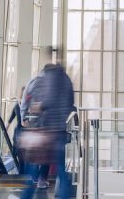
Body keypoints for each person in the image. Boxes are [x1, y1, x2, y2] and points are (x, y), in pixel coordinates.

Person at [20, 50, 74, 199]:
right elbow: (71, 105)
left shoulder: (41, 80)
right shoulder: (67, 80)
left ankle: (26, 197)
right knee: (62, 173)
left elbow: (35, 102)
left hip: (44, 131)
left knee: (32, 172)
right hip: (60, 131)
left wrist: (32, 112)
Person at [8, 86, 28, 174]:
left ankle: (21, 173)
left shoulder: (17, 105)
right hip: (25, 134)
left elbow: (9, 120)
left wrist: (4, 131)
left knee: (20, 157)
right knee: (25, 157)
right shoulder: (28, 106)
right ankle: (23, 174)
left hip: (18, 133)